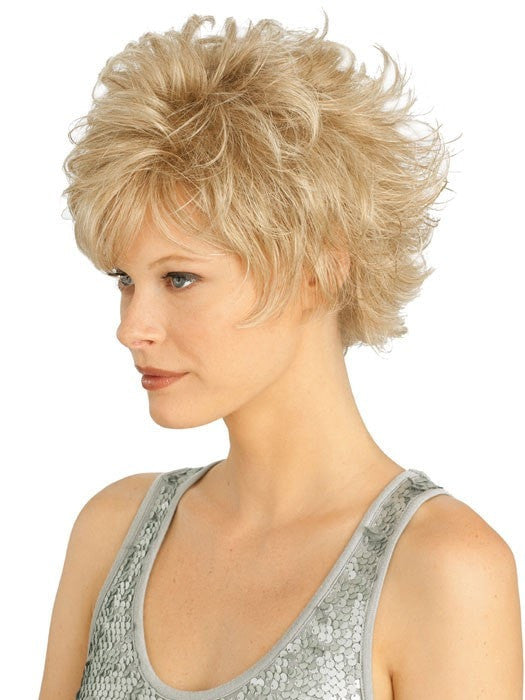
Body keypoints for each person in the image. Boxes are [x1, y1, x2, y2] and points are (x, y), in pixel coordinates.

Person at [39, 12, 522, 700]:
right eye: (125, 280)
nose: (131, 328)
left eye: (179, 278)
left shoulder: (442, 569)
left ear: (318, 272)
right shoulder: (112, 533)